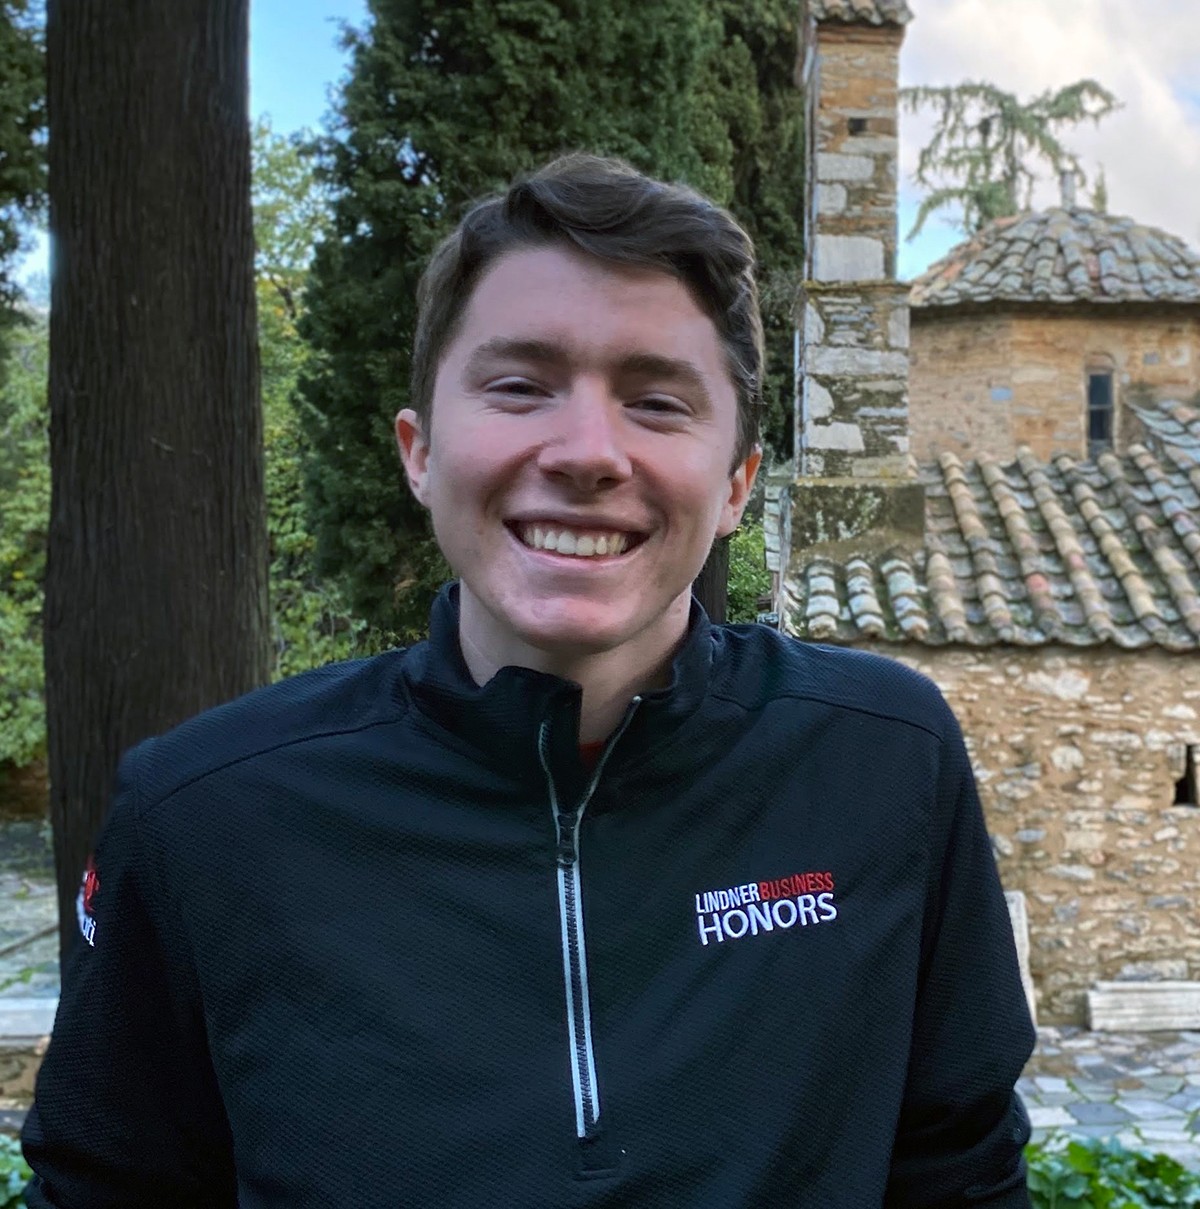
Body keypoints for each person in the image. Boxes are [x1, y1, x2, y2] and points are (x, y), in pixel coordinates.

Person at [23, 153, 1035, 1207]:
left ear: (737, 484)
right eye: (520, 386)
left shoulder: (884, 759)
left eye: (655, 401)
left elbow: (959, 1169)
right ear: (419, 453)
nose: (589, 453)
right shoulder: (201, 819)